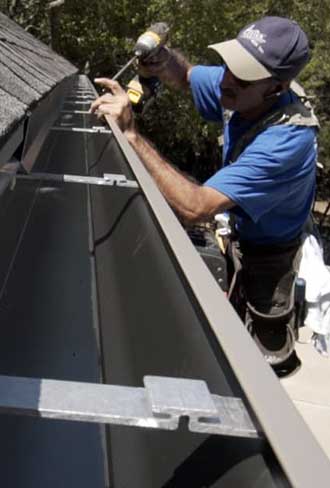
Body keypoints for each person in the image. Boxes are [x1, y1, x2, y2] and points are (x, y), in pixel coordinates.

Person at [91, 16, 319, 376]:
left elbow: (195, 207)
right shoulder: (242, 86)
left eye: (242, 77)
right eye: (229, 65)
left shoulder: (287, 142)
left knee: (258, 361)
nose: (226, 81)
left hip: (269, 254)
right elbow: (188, 75)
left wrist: (131, 135)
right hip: (242, 228)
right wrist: (164, 61)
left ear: (276, 88)